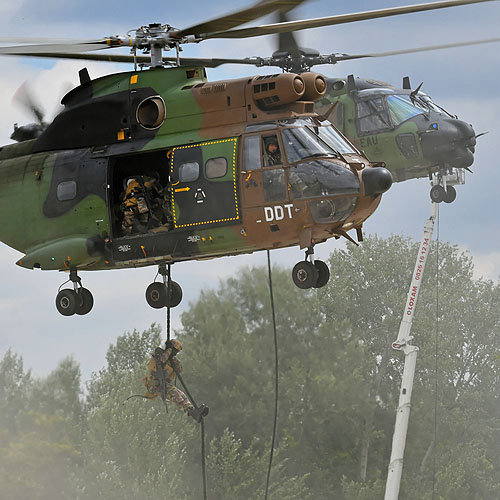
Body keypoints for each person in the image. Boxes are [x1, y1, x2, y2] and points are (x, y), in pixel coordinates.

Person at [142, 339, 209, 423]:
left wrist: (174, 361)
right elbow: (161, 361)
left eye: (176, 352)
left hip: (162, 385)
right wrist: (169, 350)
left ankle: (192, 411)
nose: (174, 353)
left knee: (179, 395)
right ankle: (191, 411)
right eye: (173, 350)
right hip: (152, 384)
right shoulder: (159, 354)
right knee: (174, 391)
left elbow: (179, 369)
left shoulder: (172, 361)